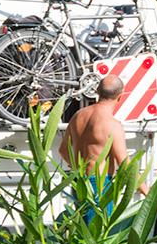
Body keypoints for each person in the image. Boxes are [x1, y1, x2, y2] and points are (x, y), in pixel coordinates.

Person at [59, 75, 149, 211]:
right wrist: (148, 193)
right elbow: (125, 166)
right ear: (120, 96)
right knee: (98, 231)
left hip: (78, 182)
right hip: (98, 185)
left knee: (81, 229)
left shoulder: (78, 115)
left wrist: (77, 167)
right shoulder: (112, 125)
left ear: (97, 92)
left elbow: (63, 150)